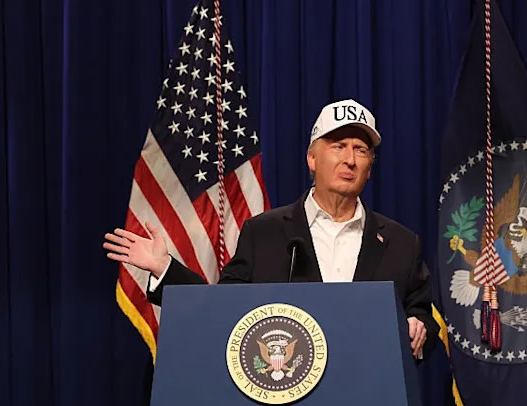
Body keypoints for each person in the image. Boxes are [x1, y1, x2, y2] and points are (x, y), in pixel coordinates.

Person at [104, 99, 436, 358]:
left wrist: (417, 327)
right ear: (311, 157)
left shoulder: (400, 243)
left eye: (361, 150)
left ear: (369, 167)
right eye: (337, 146)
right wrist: (165, 269)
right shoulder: (264, 234)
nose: (349, 159)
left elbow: (421, 314)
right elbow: (223, 309)